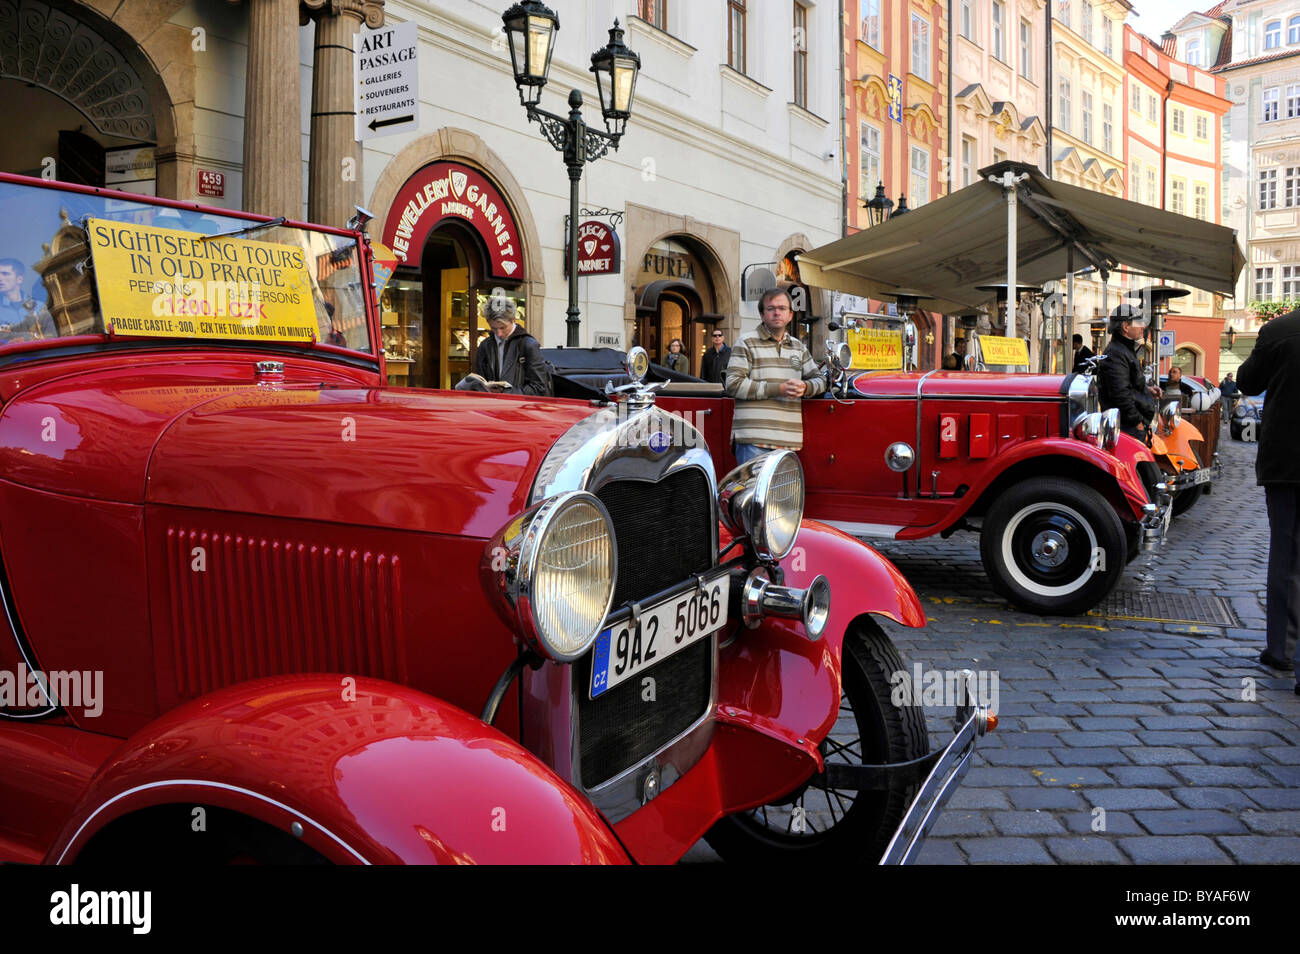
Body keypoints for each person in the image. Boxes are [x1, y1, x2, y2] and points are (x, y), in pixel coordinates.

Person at [1236, 306, 1300, 686]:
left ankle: (1281, 651)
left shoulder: (1279, 330)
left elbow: (1247, 382)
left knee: (1286, 556)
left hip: (1286, 460)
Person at [725, 287, 826, 464]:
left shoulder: (798, 347)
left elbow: (820, 380)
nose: (776, 313)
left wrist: (805, 387)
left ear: (790, 315)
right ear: (762, 315)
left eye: (782, 308)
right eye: (771, 309)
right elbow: (733, 384)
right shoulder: (746, 342)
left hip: (788, 441)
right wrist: (778, 389)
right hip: (753, 438)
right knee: (755, 492)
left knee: (783, 493)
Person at [464, 297, 551, 396]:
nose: (499, 333)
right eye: (494, 328)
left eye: (503, 327)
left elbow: (539, 387)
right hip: (491, 406)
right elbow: (480, 380)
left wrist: (505, 392)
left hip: (519, 408)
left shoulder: (528, 345)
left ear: (513, 319)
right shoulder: (485, 346)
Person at [1096, 303, 1160, 439]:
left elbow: (1125, 384)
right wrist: (1137, 423)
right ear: (1125, 326)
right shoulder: (1116, 353)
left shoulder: (1122, 349)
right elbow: (1120, 395)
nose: (1143, 326)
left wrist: (1146, 390)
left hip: (1130, 426)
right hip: (1128, 428)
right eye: (1138, 322)